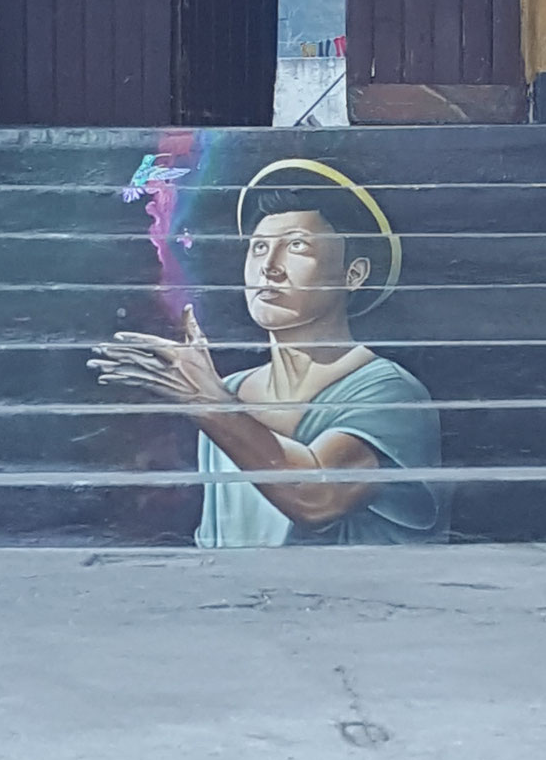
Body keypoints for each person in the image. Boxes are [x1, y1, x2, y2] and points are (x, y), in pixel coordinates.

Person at [89, 160, 447, 546]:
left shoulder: (391, 394)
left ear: (353, 274)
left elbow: (317, 497)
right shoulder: (231, 390)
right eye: (259, 248)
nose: (269, 269)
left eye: (297, 246)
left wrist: (209, 403)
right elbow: (219, 538)